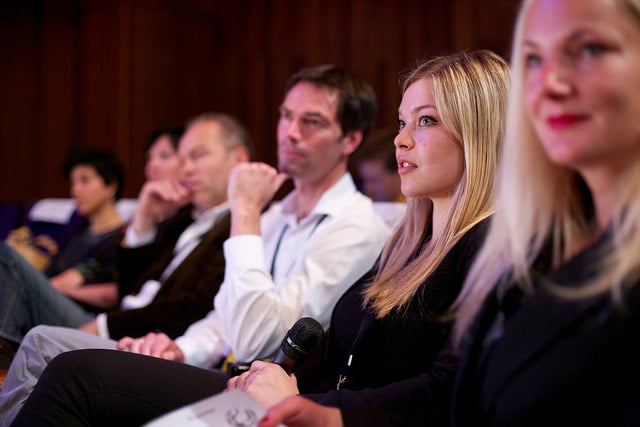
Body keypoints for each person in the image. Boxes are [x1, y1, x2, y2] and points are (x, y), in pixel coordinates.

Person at [238, 0, 640, 426]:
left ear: (479, 132)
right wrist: (277, 383)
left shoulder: (500, 246)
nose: (401, 141)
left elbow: (452, 390)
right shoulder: (407, 243)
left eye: (426, 121)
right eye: (401, 123)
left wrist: (324, 413)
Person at [6, 64, 391, 426]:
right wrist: (181, 349)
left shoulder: (356, 227)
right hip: (215, 367)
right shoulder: (276, 216)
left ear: (350, 139)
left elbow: (259, 340)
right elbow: (221, 317)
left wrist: (243, 210)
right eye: (286, 115)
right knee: (44, 342)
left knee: (74, 369)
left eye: (312, 122)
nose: (290, 132)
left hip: (266, 393)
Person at [0, 112, 250, 423]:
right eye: (181, 159)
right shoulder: (184, 219)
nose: (185, 169)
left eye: (197, 156)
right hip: (128, 323)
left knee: (38, 334)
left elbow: (195, 305)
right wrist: (144, 214)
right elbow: (129, 286)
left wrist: (106, 325)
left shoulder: (244, 223)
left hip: (156, 340)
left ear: (238, 158)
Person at [0, 146, 125, 356]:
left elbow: (114, 293)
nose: (75, 190)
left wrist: (61, 288)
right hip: (57, 307)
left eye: (85, 180)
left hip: (91, 321)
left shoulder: (123, 237)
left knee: (5, 256)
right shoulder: (77, 232)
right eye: (73, 182)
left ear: (110, 186)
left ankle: (4, 349)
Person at [352, 127, 404, 202]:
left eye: (374, 180)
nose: (367, 188)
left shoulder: (420, 210)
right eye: (364, 181)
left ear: (400, 173)